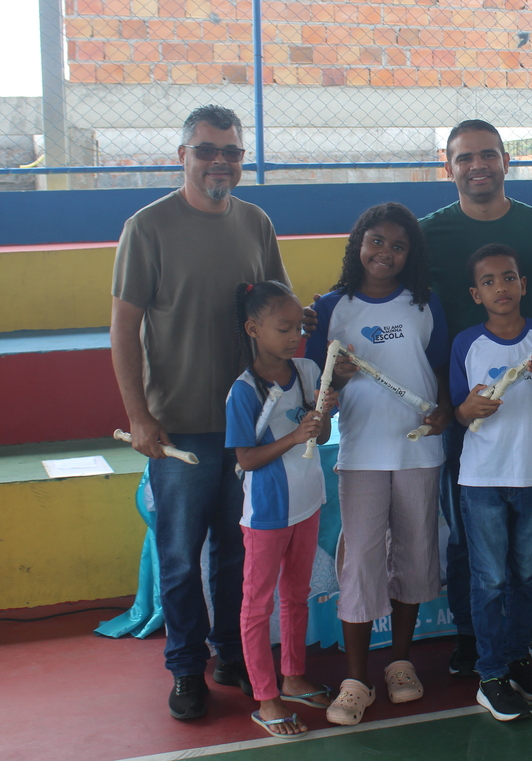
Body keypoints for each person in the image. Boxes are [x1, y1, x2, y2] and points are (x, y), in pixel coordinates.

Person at [110, 105, 288, 720]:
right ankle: (186, 668)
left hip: (248, 427)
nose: (220, 162)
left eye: (231, 152)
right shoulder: (147, 227)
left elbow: (279, 312)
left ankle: (230, 654)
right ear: (183, 156)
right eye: (207, 150)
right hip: (179, 426)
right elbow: (124, 329)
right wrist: (139, 416)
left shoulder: (257, 223)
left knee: (237, 552)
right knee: (182, 555)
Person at [420, 120, 532, 675]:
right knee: (469, 532)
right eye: (465, 158)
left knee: (528, 539)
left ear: (506, 161)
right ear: (448, 167)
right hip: (462, 406)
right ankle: (472, 634)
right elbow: (383, 289)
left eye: (488, 155)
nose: (478, 166)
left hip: (528, 407)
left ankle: (527, 627)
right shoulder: (428, 233)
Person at [304, 203, 451, 726]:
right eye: (376, 241)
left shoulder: (424, 302)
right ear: (357, 244)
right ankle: (355, 680)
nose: (385, 253)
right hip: (362, 453)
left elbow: (442, 368)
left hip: (418, 451)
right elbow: (315, 389)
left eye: (398, 245)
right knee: (361, 560)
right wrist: (338, 378)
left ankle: (400, 663)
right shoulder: (330, 307)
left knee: (415, 554)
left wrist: (445, 410)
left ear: (412, 254)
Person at [450, 243, 532, 721]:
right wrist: (468, 409)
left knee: (526, 577)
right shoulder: (466, 343)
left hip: (531, 478)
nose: (500, 287)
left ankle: (518, 660)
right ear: (476, 294)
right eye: (488, 281)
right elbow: (458, 412)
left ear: (524, 285)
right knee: (490, 580)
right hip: (481, 480)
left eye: (508, 277)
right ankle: (490, 676)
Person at [227, 282, 335, 739]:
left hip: (308, 501)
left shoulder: (309, 370)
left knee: (296, 594)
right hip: (268, 513)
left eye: (298, 329)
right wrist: (293, 436)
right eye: (283, 328)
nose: (294, 337)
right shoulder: (243, 391)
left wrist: (323, 416)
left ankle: (293, 677)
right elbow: (246, 459)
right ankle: (265, 697)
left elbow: (321, 436)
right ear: (254, 329)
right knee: (257, 605)